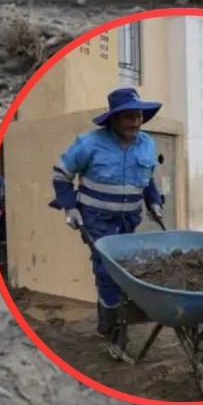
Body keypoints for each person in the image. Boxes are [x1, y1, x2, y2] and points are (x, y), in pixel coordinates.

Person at [50, 87, 165, 361]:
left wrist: (155, 202)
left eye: (137, 116)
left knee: (128, 269)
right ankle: (113, 330)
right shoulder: (89, 144)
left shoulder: (147, 143)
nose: (134, 123)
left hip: (129, 219)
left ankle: (115, 318)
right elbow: (61, 175)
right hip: (97, 221)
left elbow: (148, 179)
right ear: (113, 119)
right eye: (127, 117)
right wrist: (70, 207)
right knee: (107, 271)